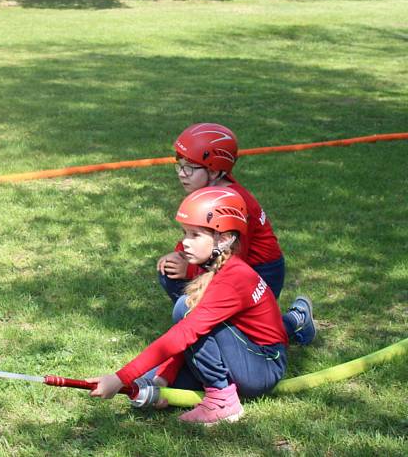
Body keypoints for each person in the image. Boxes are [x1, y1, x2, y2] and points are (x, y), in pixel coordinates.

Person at [87, 187, 292, 425]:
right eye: (185, 233)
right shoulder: (218, 269)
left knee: (185, 310)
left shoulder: (235, 278)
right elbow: (189, 335)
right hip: (243, 357)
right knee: (146, 382)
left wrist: (119, 378)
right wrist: (162, 379)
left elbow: (186, 333)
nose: (184, 243)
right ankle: (196, 385)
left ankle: (223, 401)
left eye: (195, 235)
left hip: (263, 367)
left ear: (224, 239)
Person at [157, 123, 315, 345]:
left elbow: (236, 265)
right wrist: (179, 255)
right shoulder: (206, 193)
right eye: (179, 166)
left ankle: (295, 320)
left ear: (213, 170)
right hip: (231, 264)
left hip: (258, 273)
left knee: (251, 337)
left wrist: (190, 268)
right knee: (169, 273)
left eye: (190, 168)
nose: (182, 174)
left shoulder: (233, 203)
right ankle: (210, 331)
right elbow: (198, 234)